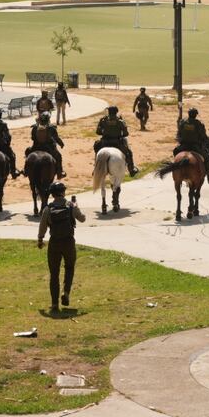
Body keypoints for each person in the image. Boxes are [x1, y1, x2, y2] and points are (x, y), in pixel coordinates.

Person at [37, 182, 86, 312]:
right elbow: (83, 219)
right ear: (63, 192)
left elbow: (42, 226)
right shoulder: (70, 206)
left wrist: (40, 240)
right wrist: (76, 206)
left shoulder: (48, 208)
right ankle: (66, 292)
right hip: (68, 241)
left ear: (52, 194)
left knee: (54, 273)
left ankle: (54, 304)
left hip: (54, 242)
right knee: (69, 268)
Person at [94, 106, 138, 176]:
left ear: (108, 112)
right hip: (117, 143)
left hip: (105, 143)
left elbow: (98, 132)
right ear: (116, 112)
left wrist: (105, 132)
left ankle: (96, 168)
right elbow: (126, 134)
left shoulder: (103, 121)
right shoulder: (120, 122)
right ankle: (131, 170)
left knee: (97, 148)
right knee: (128, 153)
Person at [175, 107, 209, 184]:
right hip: (195, 146)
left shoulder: (182, 122)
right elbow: (203, 136)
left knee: (175, 152)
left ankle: (175, 169)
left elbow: (179, 133)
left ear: (188, 114)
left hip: (183, 145)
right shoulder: (199, 124)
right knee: (208, 157)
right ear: (196, 115)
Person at [25, 112, 65, 179]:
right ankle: (59, 173)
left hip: (36, 147)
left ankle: (26, 171)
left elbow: (32, 138)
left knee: (27, 152)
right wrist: (61, 144)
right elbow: (56, 138)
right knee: (58, 157)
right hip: (49, 148)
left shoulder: (35, 127)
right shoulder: (52, 128)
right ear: (48, 119)